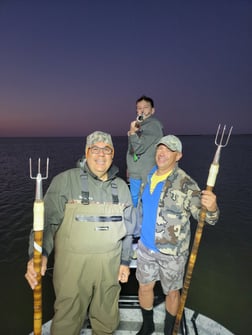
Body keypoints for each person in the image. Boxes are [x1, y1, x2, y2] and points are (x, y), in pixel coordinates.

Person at [25, 131, 136, 335]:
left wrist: (125, 262)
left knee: (107, 320)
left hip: (109, 269)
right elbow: (46, 223)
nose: (101, 154)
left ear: (113, 155)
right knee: (67, 322)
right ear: (86, 152)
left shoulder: (121, 187)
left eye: (106, 150)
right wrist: (38, 255)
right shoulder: (65, 181)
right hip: (72, 271)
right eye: (95, 149)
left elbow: (128, 231)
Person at [135, 135, 220, 335]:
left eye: (169, 150)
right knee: (144, 287)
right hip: (145, 247)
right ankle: (147, 326)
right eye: (160, 148)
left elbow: (206, 219)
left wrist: (213, 207)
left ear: (178, 155)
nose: (162, 153)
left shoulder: (186, 184)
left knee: (172, 293)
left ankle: (168, 330)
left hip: (172, 253)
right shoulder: (149, 176)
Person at [126, 95, 164, 207]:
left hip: (146, 174)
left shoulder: (153, 125)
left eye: (145, 107)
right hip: (135, 173)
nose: (142, 110)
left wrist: (132, 133)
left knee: (145, 203)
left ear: (152, 110)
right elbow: (133, 150)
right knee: (134, 202)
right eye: (139, 108)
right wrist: (130, 167)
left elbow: (139, 148)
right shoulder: (141, 126)